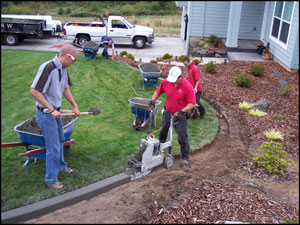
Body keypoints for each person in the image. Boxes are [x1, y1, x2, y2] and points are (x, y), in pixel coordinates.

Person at [30, 44, 80, 189]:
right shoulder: (48, 67)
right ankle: (51, 180)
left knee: (61, 140)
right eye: (74, 60)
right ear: (67, 57)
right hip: (46, 115)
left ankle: (61, 167)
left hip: (55, 113)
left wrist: (74, 106)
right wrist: (51, 109)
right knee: (52, 148)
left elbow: (65, 89)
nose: (73, 63)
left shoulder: (63, 69)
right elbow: (34, 91)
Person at [149, 66, 195, 166]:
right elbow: (158, 91)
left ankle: (185, 157)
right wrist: (152, 101)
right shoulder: (166, 82)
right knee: (163, 133)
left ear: (180, 77)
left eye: (175, 80)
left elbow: (192, 103)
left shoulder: (187, 87)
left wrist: (182, 111)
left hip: (180, 116)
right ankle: (159, 152)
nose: (173, 82)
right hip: (167, 113)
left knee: (182, 137)